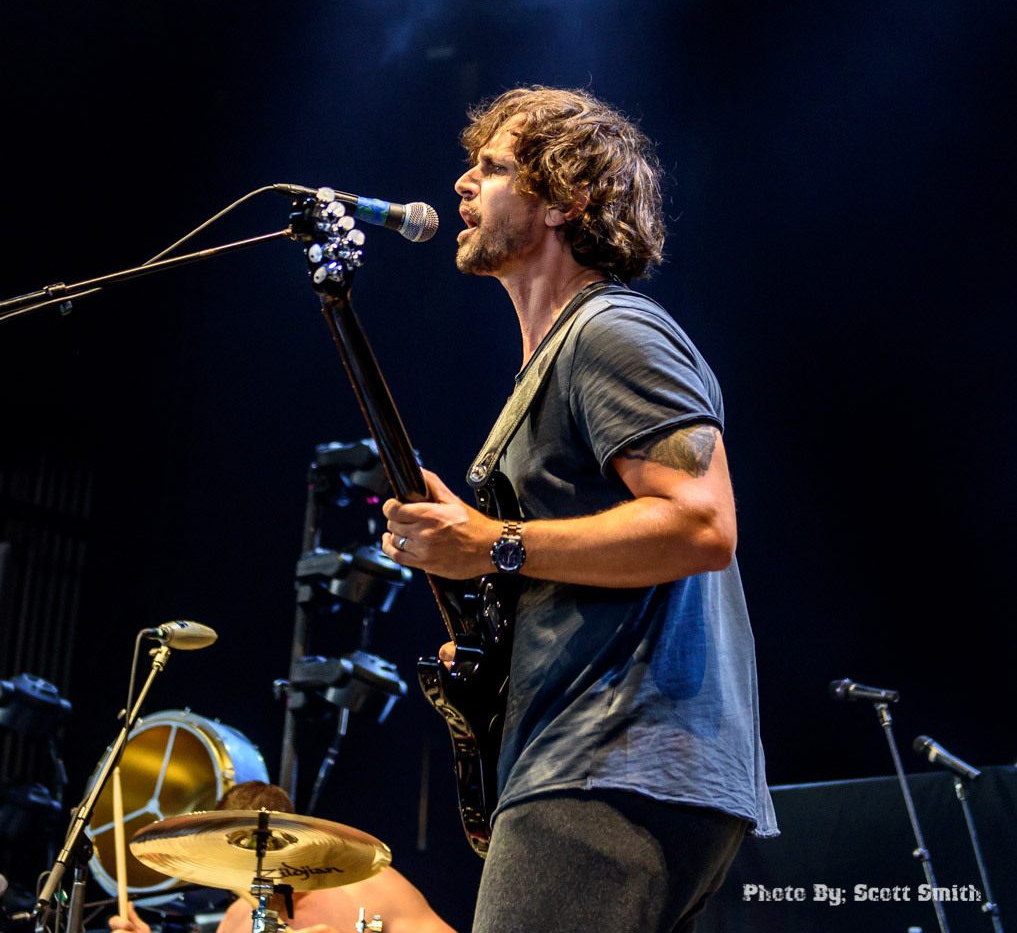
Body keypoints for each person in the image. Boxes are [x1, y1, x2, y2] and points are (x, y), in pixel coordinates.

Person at [380, 85, 778, 933]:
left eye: (493, 168)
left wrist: (493, 544)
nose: (462, 183)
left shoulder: (612, 332)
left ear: (566, 199)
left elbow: (701, 525)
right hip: (602, 762)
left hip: (611, 762)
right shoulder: (559, 354)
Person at [109, 782, 457, 933]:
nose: (259, 872)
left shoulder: (371, 888)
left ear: (295, 844)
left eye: (267, 855)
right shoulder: (236, 920)